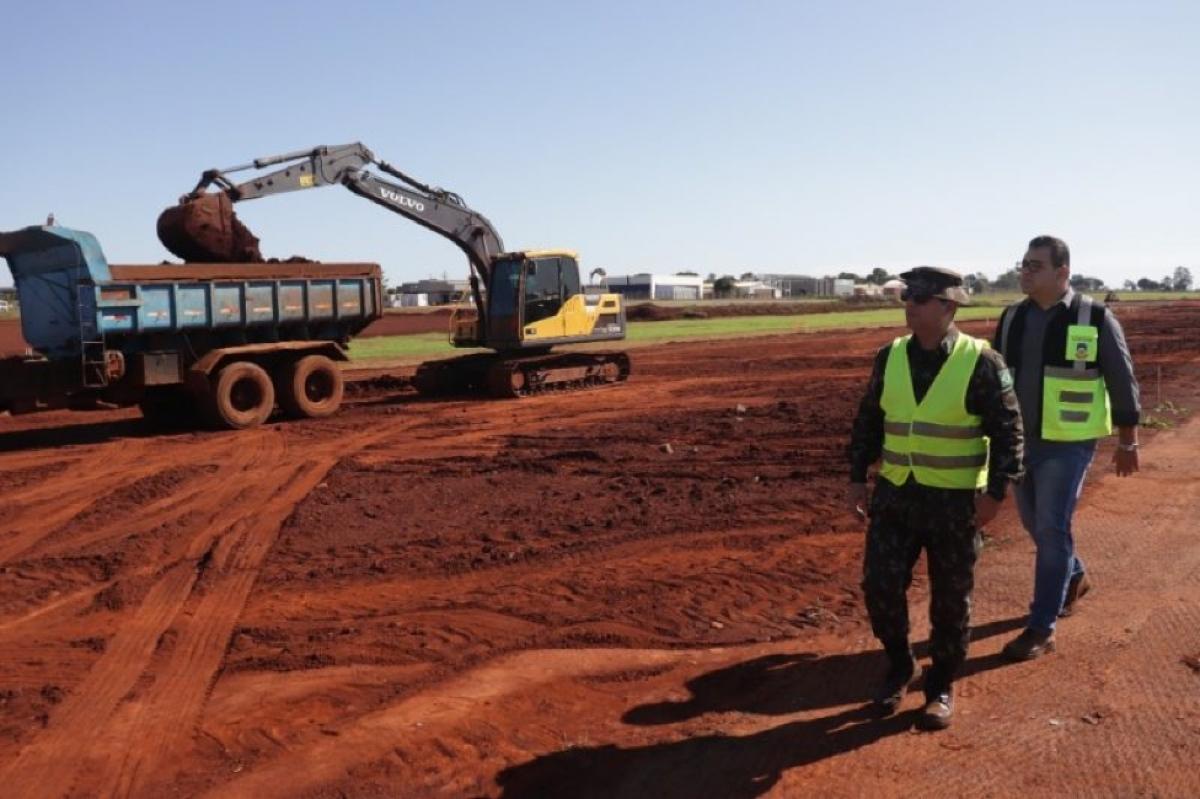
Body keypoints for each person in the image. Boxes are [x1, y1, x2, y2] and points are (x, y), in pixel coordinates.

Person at [847, 266, 1024, 730]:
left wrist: (996, 494)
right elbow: (868, 419)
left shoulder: (983, 362)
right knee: (880, 586)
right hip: (896, 498)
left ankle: (941, 685)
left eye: (921, 299)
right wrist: (854, 477)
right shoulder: (890, 357)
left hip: (954, 504)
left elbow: (1009, 433)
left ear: (948, 306)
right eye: (908, 297)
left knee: (950, 602)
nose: (910, 305)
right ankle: (899, 664)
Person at [995, 236, 1141, 661]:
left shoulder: (1094, 316)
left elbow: (1121, 377)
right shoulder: (1011, 318)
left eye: (1035, 266)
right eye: (1023, 264)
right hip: (1023, 442)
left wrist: (1128, 439)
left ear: (1062, 273)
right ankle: (1074, 575)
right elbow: (996, 379)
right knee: (1033, 524)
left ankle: (1042, 627)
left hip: (1069, 444)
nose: (1025, 271)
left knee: (1052, 528)